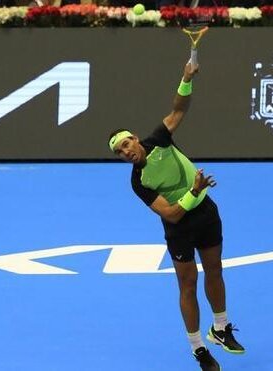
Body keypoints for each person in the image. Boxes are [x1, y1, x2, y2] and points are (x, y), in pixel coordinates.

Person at [108, 58, 245, 371]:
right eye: (119, 151)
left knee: (215, 269)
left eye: (126, 143)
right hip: (181, 227)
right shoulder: (137, 181)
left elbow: (179, 108)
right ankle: (198, 349)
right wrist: (194, 192)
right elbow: (170, 214)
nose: (125, 151)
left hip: (206, 215)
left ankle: (221, 328)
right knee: (188, 284)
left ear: (135, 139)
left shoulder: (159, 138)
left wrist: (186, 78)